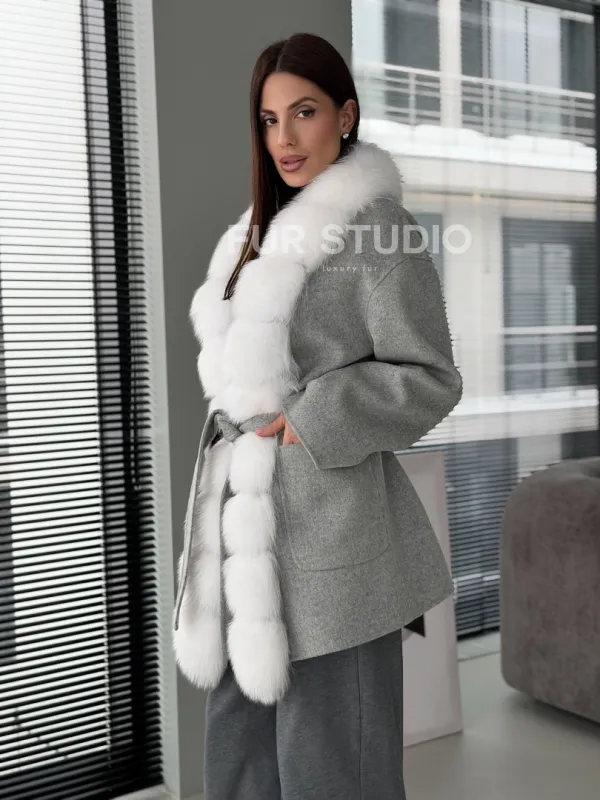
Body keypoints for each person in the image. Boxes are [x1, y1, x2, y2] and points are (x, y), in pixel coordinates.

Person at [172, 31, 463, 800]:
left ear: (346, 115)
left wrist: (310, 419)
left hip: (333, 539)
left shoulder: (378, 231)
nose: (285, 138)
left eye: (304, 112)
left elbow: (430, 377)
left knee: (335, 767)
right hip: (241, 540)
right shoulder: (254, 236)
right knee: (241, 760)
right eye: (270, 120)